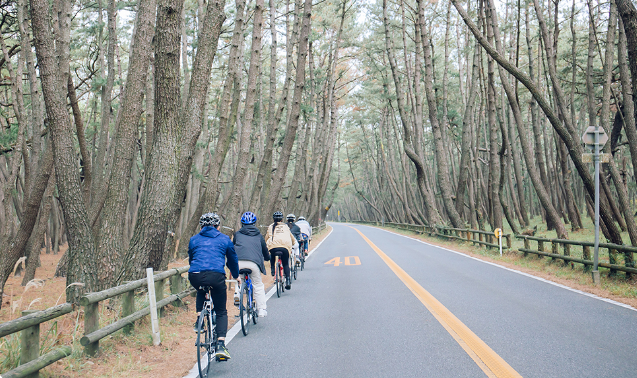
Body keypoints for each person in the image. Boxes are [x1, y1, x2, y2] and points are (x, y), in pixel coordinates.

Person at [188, 212, 238, 361]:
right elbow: (232, 259)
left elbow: (191, 257)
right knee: (221, 310)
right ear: (218, 226)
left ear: (201, 226)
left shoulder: (193, 239)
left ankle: (199, 320)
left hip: (195, 274)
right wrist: (236, 276)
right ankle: (221, 345)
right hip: (216, 275)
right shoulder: (224, 239)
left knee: (201, 289)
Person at [232, 211, 270, 317]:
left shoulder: (237, 234)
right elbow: (264, 250)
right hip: (253, 263)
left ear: (242, 223)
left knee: (239, 279)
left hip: (238, 262)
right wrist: (267, 258)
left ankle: (237, 293)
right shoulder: (258, 235)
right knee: (257, 285)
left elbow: (233, 247)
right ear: (254, 223)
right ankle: (261, 309)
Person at [266, 211, 297, 290]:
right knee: (285, 264)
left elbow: (267, 238)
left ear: (273, 219)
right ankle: (288, 281)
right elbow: (291, 237)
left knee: (272, 252)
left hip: (273, 247)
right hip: (285, 248)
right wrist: (293, 243)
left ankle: (273, 269)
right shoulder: (286, 226)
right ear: (282, 220)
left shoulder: (270, 226)